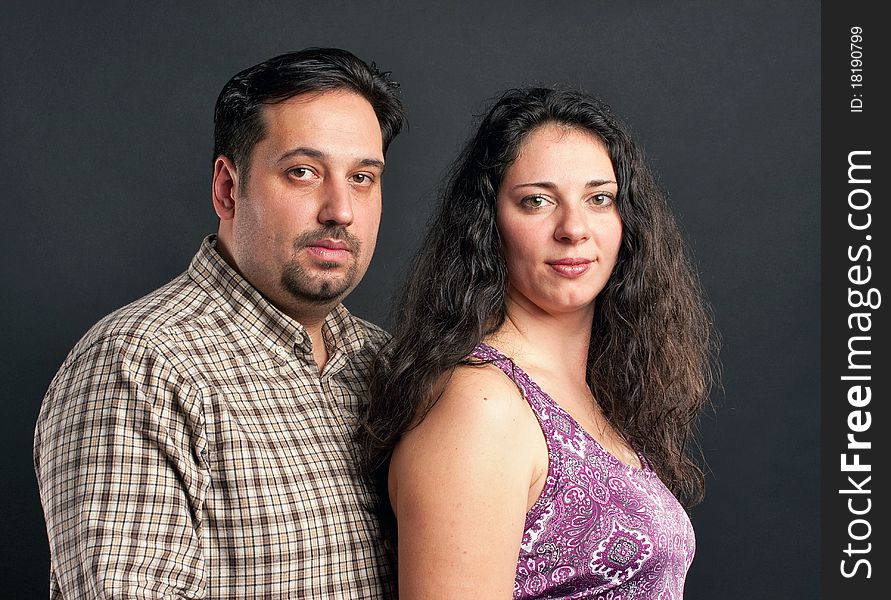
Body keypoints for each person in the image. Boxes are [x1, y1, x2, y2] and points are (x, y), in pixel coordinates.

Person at [34, 47, 406, 599]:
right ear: (228, 188)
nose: (340, 210)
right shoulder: (142, 365)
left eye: (362, 178)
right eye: (302, 173)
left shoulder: (388, 363)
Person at [358, 86, 718, 599]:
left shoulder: (589, 392)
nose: (573, 228)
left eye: (600, 199)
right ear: (489, 225)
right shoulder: (481, 408)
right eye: (537, 201)